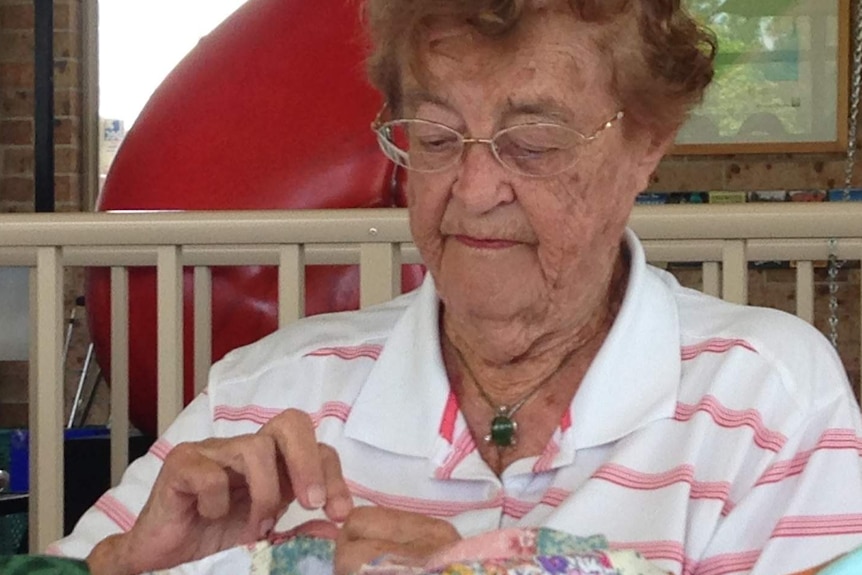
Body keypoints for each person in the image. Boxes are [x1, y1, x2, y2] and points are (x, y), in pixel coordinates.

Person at [53, 1, 862, 574]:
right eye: (436, 137)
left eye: (533, 141)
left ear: (647, 144)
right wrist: (124, 566)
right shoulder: (265, 393)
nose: (472, 189)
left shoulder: (765, 403)